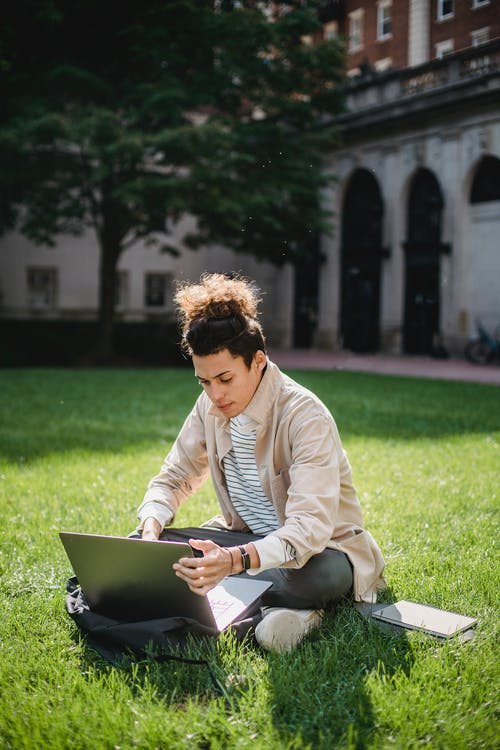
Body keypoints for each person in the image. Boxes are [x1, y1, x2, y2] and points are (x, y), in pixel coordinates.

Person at [137, 273, 386, 652]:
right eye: (203, 382)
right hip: (244, 542)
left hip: (319, 553)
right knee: (156, 551)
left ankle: (264, 604)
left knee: (316, 578)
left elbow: (308, 531)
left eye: (224, 378)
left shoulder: (305, 415)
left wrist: (233, 562)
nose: (215, 394)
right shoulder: (210, 406)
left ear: (257, 361)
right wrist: (151, 526)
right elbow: (175, 475)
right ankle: (278, 615)